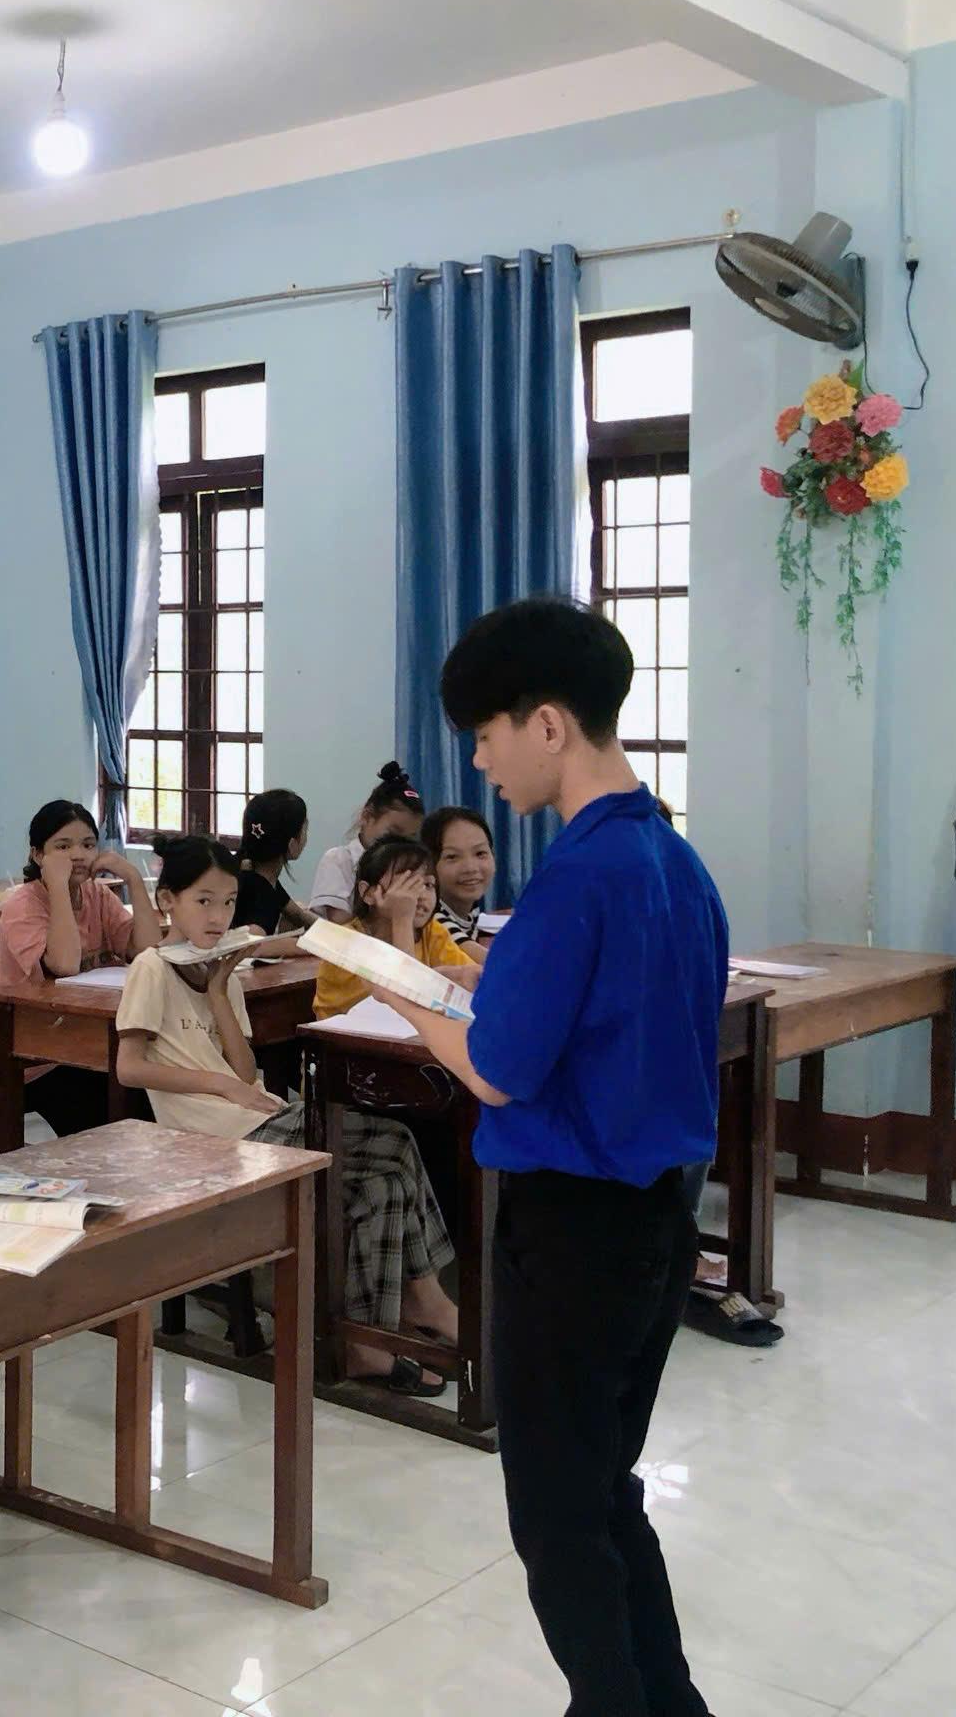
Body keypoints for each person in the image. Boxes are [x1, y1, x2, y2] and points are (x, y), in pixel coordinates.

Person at [375, 595, 727, 1717]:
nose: (480, 763)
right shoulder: (669, 855)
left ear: (546, 725)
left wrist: (401, 988)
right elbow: (614, 1016)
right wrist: (483, 985)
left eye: (485, 735)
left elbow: (495, 1070)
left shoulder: (579, 873)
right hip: (657, 1222)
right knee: (602, 1489)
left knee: (557, 1515)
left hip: (575, 1232)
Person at [116, 835, 461, 1391]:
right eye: (203, 901)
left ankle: (366, 1340)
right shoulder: (151, 967)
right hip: (210, 1135)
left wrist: (219, 990)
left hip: (255, 1115)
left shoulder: (218, 968)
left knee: (381, 1186)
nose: (218, 915)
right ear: (167, 901)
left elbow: (244, 1068)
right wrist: (220, 1087)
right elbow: (129, 1067)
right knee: (394, 1140)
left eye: (229, 902)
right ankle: (426, 1298)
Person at [0, 799, 163, 1136]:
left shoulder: (97, 895)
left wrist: (133, 878)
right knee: (111, 1121)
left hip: (98, 1038)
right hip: (44, 1054)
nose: (78, 855)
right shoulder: (22, 905)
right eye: (63, 846)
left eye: (87, 845)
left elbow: (148, 951)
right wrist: (57, 885)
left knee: (157, 1100)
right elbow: (64, 964)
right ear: (37, 855)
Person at [310, 837, 479, 1018]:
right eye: (407, 884)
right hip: (350, 1034)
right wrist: (402, 919)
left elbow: (473, 985)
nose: (421, 894)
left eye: (428, 885)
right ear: (368, 893)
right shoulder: (345, 945)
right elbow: (401, 1007)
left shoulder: (431, 932)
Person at [305, 762, 425, 920]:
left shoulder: (408, 871)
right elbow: (339, 924)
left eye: (409, 840)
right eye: (392, 834)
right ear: (367, 817)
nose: (399, 846)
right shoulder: (339, 860)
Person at [231, 787, 313, 933]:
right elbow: (253, 942)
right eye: (305, 830)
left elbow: (298, 915)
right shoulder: (262, 895)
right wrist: (296, 944)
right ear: (292, 845)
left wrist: (336, 933)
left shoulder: (253, 872)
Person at [423, 805, 499, 956]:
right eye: (452, 857)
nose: (470, 868)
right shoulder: (432, 916)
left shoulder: (470, 910)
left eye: (480, 853)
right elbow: (492, 964)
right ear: (428, 865)